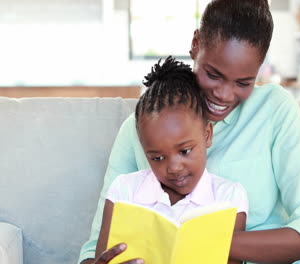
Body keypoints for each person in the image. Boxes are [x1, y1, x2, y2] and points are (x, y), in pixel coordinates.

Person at [80, 0, 300, 263]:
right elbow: (94, 249)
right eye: (214, 74)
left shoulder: (276, 110)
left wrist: (207, 240)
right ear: (196, 45)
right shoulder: (142, 127)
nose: (224, 95)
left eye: (244, 82)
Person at [95, 56, 248, 264]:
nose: (174, 168)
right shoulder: (124, 190)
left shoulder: (229, 197)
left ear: (207, 135)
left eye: (185, 151)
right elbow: (103, 258)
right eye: (157, 157)